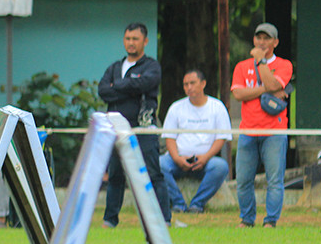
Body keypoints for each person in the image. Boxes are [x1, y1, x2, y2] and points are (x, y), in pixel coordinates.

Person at [98, 22, 177, 228]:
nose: (131, 43)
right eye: (127, 39)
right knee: (115, 175)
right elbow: (103, 91)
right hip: (117, 129)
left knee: (153, 174)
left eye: (135, 39)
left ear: (145, 41)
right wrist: (129, 86)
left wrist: (119, 86)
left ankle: (164, 220)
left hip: (143, 127)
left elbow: (145, 84)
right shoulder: (115, 67)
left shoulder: (151, 66)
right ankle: (109, 220)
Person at [230, 22, 294, 228]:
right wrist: (264, 89)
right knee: (243, 180)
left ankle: (270, 221)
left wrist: (261, 63)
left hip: (274, 131)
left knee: (274, 180)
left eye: (267, 38)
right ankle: (247, 220)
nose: (262, 42)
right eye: (259, 37)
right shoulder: (241, 67)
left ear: (275, 42)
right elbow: (238, 93)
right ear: (254, 40)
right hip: (248, 130)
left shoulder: (284, 65)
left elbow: (275, 85)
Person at [159, 69, 232, 214]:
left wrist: (205, 157)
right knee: (158, 164)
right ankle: (178, 204)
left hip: (205, 160)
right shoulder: (176, 107)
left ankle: (196, 205)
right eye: (185, 84)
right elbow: (170, 138)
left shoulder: (217, 107)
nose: (189, 87)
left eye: (192, 83)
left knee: (221, 167)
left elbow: (221, 138)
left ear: (203, 84)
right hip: (177, 160)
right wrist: (177, 158)